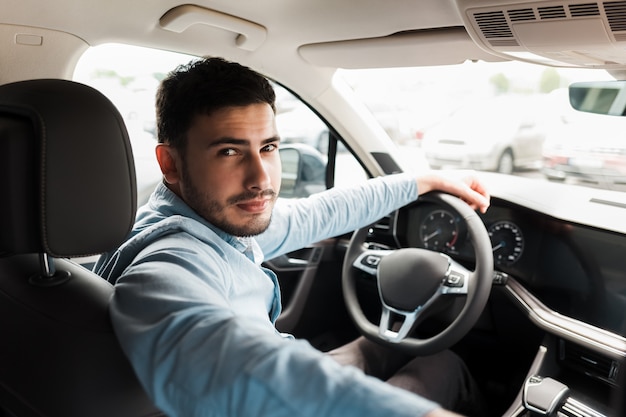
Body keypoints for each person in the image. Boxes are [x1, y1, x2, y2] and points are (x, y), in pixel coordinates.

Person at [95, 57, 490, 417]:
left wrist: (425, 181)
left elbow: (315, 214)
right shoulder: (171, 259)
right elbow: (221, 360)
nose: (261, 180)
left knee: (382, 345)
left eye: (267, 147)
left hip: (281, 365)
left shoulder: (204, 218)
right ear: (170, 163)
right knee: (441, 364)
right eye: (229, 152)